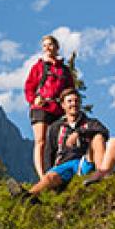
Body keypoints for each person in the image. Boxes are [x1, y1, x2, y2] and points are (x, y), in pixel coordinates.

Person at [9, 89, 107, 200]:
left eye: (76, 101)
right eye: (70, 101)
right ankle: (27, 196)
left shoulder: (90, 123)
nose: (73, 104)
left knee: (98, 137)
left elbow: (104, 132)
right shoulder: (56, 127)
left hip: (84, 161)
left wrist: (79, 133)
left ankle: (101, 175)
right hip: (64, 164)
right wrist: (46, 172)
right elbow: (49, 151)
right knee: (50, 177)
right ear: (63, 105)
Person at [23, 35, 74, 179]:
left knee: (56, 143)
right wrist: (34, 99)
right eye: (44, 45)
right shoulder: (38, 67)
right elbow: (29, 87)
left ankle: (54, 172)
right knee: (41, 141)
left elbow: (70, 89)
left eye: (50, 44)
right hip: (41, 107)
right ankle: (42, 175)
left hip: (58, 109)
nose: (47, 47)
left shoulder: (64, 70)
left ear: (57, 48)